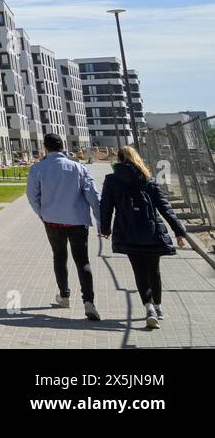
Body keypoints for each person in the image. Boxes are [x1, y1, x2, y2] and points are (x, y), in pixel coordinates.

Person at [99, 146, 188, 329]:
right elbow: (165, 208)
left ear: (119, 159)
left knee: (139, 271)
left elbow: (106, 207)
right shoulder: (148, 179)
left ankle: (148, 308)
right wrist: (179, 232)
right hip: (151, 232)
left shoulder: (111, 180)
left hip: (127, 232)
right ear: (136, 158)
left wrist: (106, 229)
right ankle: (158, 307)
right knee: (153, 271)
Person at [26, 132, 101, 320]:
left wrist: (42, 213)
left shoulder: (38, 169)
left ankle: (64, 295)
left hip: (52, 221)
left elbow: (32, 196)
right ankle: (89, 301)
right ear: (63, 146)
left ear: (45, 148)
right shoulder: (78, 168)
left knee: (59, 257)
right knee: (82, 260)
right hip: (77, 220)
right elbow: (92, 194)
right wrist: (100, 220)